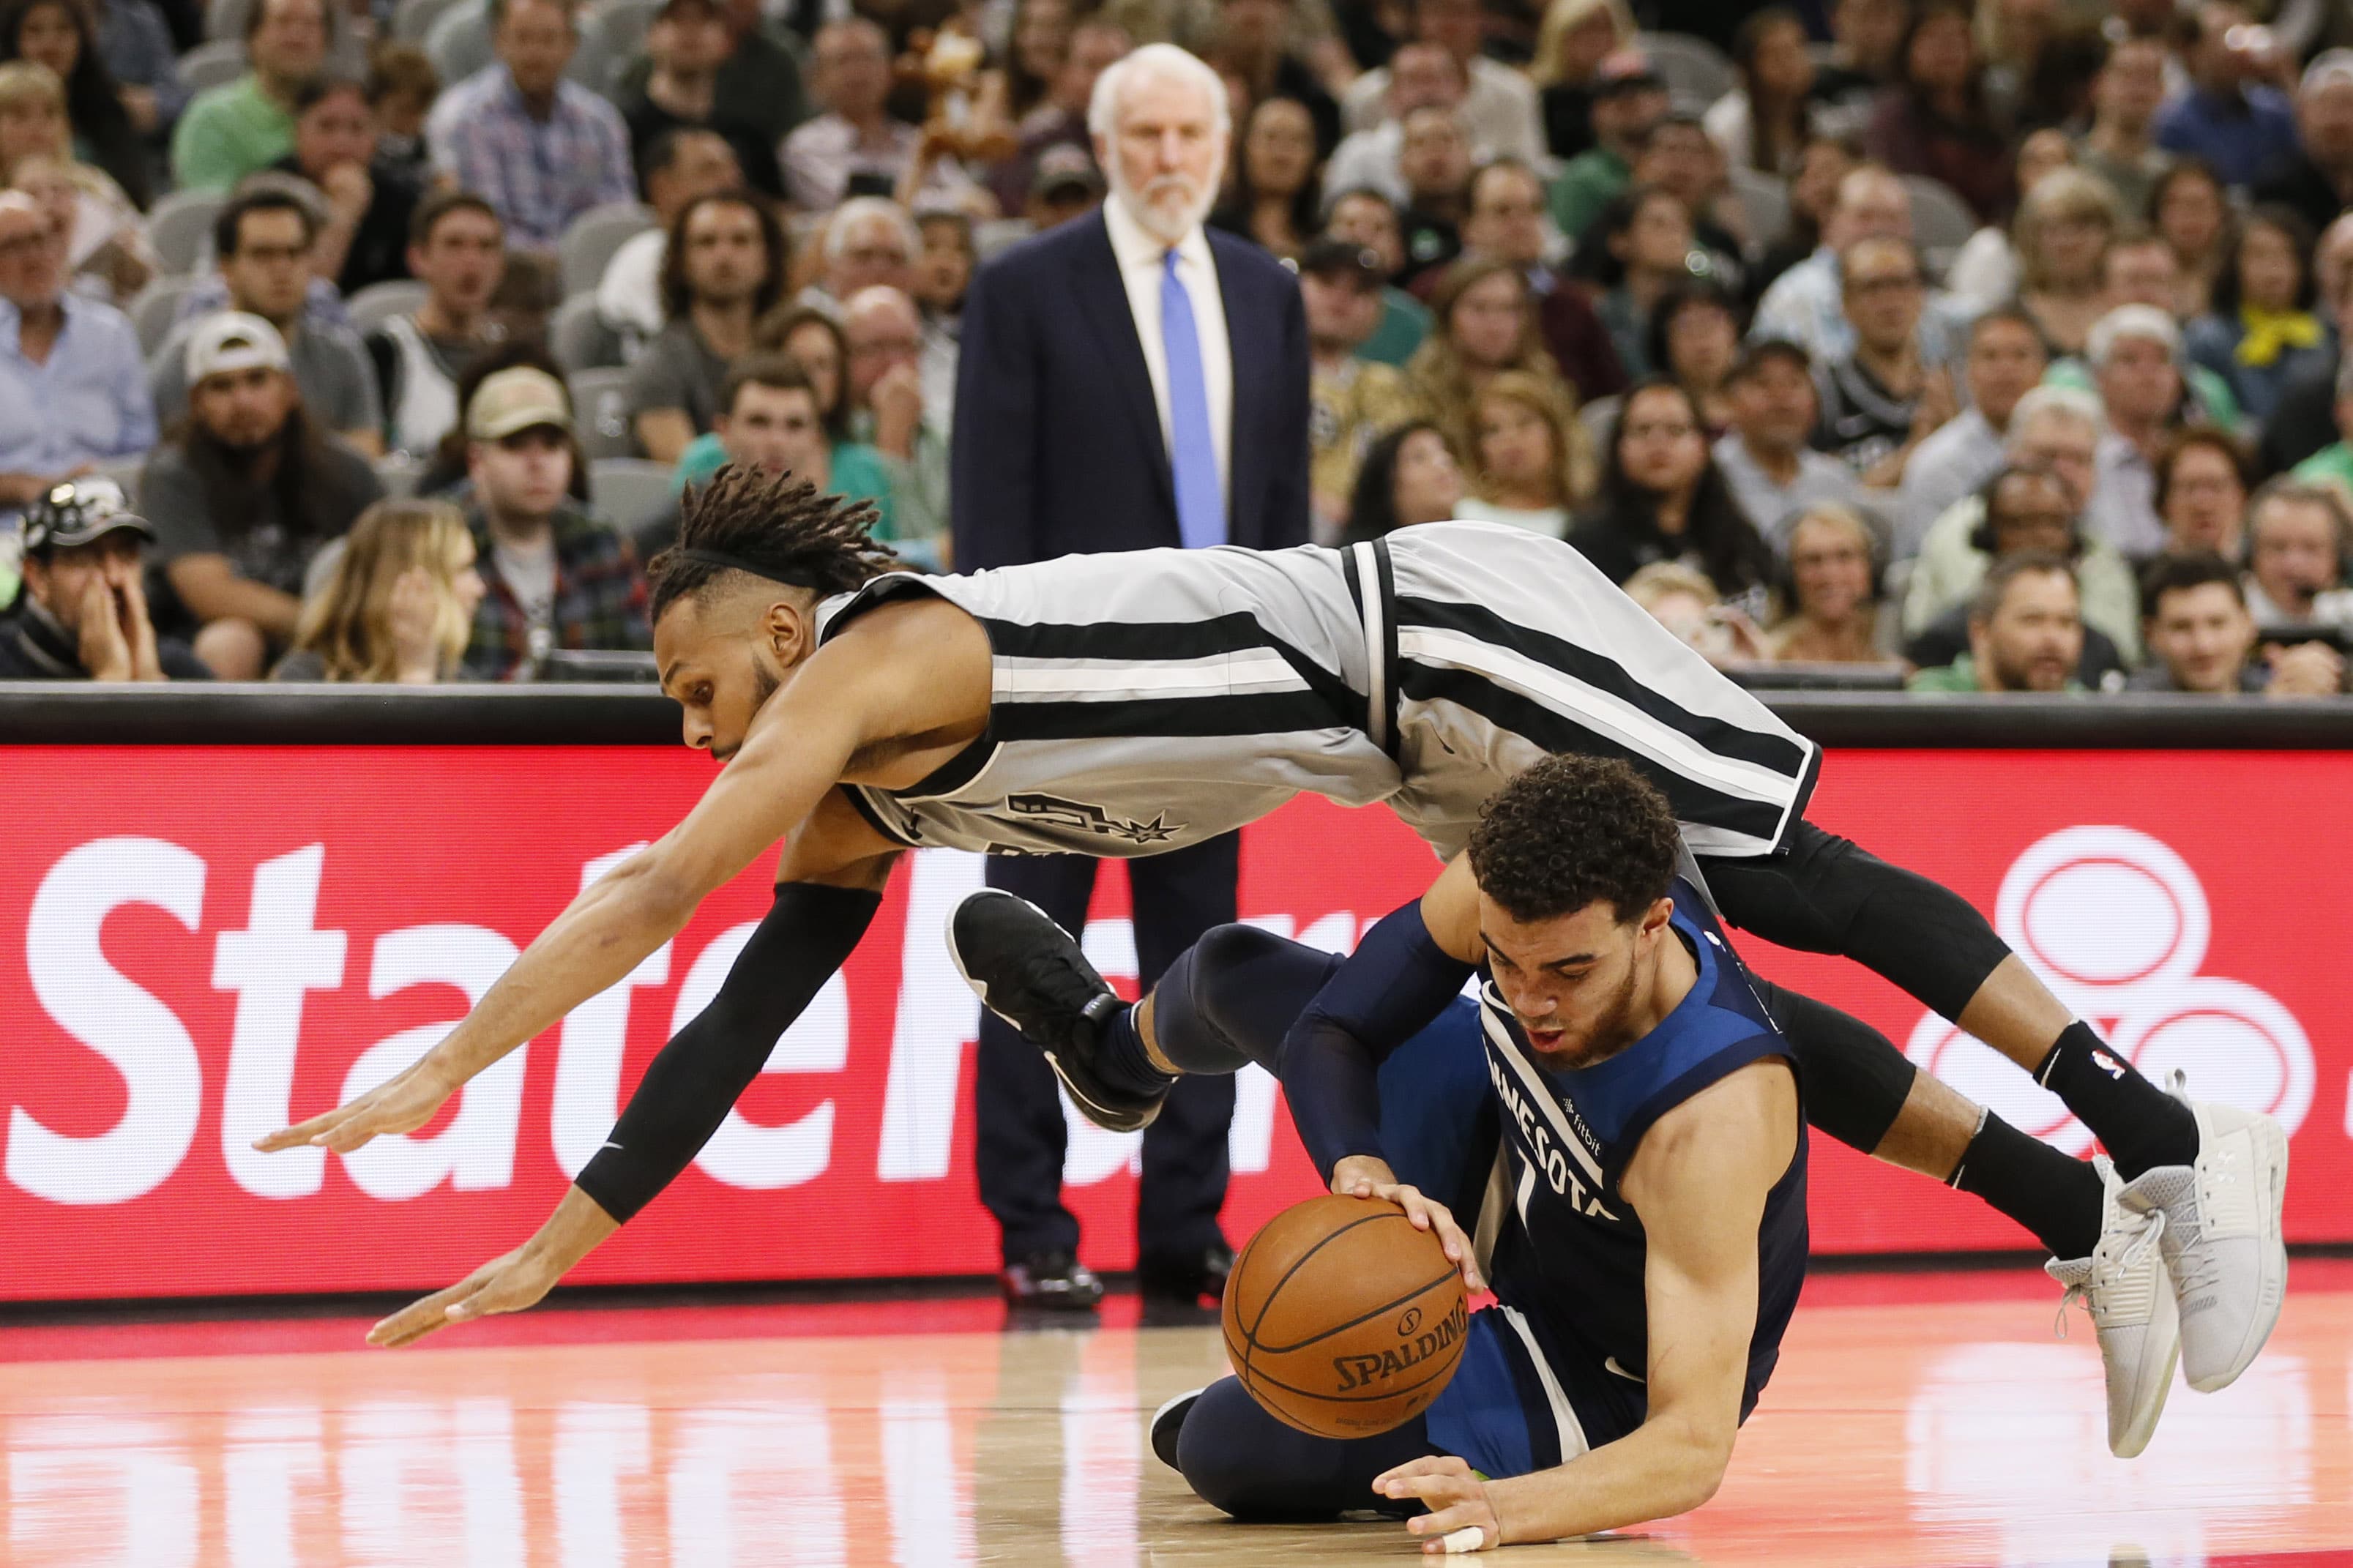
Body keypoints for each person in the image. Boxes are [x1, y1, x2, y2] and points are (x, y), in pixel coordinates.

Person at [260, 472, 2279, 1468]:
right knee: (1697, 1008)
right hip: (1400, 754)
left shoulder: (872, 653)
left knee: (1780, 872)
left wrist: (449, 1052)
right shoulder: (852, 788)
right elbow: (744, 1001)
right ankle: (2064, 1214)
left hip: (1434, 630)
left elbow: (649, 900)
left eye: (701, 687)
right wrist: (567, 1228)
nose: (698, 734)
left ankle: (2165, 1126)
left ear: (780, 636)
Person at [975, 754, 1813, 1545]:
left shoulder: (1709, 1120)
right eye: (1504, 962)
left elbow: (1692, 1447)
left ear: (1652, 925)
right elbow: (1335, 1026)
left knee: (1219, 1446)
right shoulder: (1503, 894)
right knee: (1233, 970)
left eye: (1567, 970)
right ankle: (1114, 1058)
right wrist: (1362, 1165)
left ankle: (1326, 1420)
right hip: (1508, 1154)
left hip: (1590, 1368)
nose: (1531, 1000)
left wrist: (1505, 1507)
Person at [947, 42, 1310, 1310]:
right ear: (1102, 148)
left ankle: (1184, 1232)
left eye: (1187, 136)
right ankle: (1033, 1229)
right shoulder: (1026, 289)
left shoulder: (1268, 291)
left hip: (1217, 693)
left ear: (1219, 147)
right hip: (1058, 691)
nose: (1168, 158)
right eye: (1144, 135)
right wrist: (1001, 681)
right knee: (1026, 954)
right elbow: (987, 508)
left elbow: (1281, 509)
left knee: (1202, 963)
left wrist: (1283, 677)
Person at [141, 312, 383, 678]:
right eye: (221, 386)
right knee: (232, 640)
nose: (242, 401)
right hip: (203, 646)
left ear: (290, 389)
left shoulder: (346, 470)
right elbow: (210, 595)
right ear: (196, 402)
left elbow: (389, 564)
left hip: (327, 637)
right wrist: (318, 622)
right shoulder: (172, 475)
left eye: (257, 381)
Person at [151, 189, 384, 455]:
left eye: (294, 253)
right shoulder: (186, 358)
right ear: (226, 270)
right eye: (263, 255)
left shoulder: (342, 355)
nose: (282, 268)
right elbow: (171, 464)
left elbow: (367, 457)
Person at [457, 364, 649, 679]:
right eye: (515, 445)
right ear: (477, 461)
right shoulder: (441, 541)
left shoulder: (601, 542)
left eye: (552, 445)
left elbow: (639, 670)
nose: (538, 463)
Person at [425, 0, 635, 253]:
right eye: (523, 38)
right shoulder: (466, 118)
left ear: (571, 45)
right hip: (506, 272)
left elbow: (618, 214)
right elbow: (485, 225)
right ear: (499, 41)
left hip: (587, 269)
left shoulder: (601, 121)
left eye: (548, 39)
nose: (535, 53)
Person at [1902, 461, 2138, 677]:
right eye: (2021, 523)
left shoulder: (2100, 651)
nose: (2040, 536)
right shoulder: (1942, 643)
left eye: (2054, 522)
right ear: (1989, 537)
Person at [0, 188, 149, 520]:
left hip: (106, 518)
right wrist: (20, 487)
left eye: (42, 240)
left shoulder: (111, 334)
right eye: (12, 247)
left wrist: (102, 476)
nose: (33, 258)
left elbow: (143, 447)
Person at [1570, 378, 1773, 611]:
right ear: (1618, 447)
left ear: (1703, 446)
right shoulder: (1589, 546)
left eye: (1675, 430)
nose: (1658, 443)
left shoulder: (1737, 537)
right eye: (1642, 430)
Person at [1750, 163, 1970, 373]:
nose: (1880, 229)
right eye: (1865, 217)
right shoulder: (1794, 297)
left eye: (1892, 218)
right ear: (1830, 223)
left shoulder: (1926, 295)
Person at [624, 190, 786, 465]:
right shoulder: (659, 363)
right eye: (706, 242)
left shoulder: (790, 348)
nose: (724, 255)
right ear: (682, 261)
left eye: (741, 240)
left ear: (768, 259)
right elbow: (688, 474)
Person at [0, 477, 209, 677]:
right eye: (85, 558)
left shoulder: (179, 669)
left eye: (126, 555)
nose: (114, 578)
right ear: (38, 578)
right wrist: (112, 678)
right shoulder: (7, 666)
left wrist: (149, 678)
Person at [1458, 157, 1625, 406]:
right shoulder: (1434, 292)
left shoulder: (1573, 306)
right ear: (1468, 226)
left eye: (1533, 209)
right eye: (1503, 211)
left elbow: (1610, 400)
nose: (1521, 223)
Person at [272, 497, 488, 682]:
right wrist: (416, 674)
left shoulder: (458, 678)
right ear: (413, 581)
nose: (480, 588)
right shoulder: (305, 678)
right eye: (463, 569)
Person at [363, 192, 507, 462]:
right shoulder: (384, 352)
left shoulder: (514, 357)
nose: (472, 261)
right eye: (454, 244)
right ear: (418, 258)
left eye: (486, 247)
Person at [1403, 257, 1575, 479]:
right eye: (1479, 308)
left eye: (1509, 309)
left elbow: (1574, 471)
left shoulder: (1548, 389)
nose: (1495, 324)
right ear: (1448, 317)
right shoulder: (1416, 394)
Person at [783, 18, 975, 214]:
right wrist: (944, 201)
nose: (857, 72)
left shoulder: (915, 139)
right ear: (818, 77)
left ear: (890, 70)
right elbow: (863, 210)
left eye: (868, 58)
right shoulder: (805, 146)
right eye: (843, 61)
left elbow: (975, 201)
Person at [1898, 308, 2049, 555]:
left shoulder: (2067, 452)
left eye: (2020, 356)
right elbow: (1930, 562)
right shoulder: (1937, 464)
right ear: (1968, 371)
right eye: (1990, 356)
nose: (2006, 370)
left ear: (2044, 368)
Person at [1813, 236, 1955, 487]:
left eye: (1901, 284)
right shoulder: (1821, 391)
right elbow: (1828, 501)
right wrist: (1918, 449)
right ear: (1845, 303)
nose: (1889, 302)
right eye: (1872, 287)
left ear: (1921, 295)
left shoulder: (1955, 383)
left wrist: (1955, 429)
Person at [1301, 236, 1415, 540]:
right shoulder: (1262, 374)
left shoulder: (1390, 386)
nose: (1341, 298)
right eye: (1326, 282)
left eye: (1359, 291)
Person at [617, 0, 785, 201]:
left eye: (705, 20)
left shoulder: (750, 139)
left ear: (727, 41)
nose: (691, 30)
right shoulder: (621, 130)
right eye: (677, 19)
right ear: (651, 36)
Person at [1339, 0, 1540, 165]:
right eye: (1438, 12)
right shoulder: (1363, 98)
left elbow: (1529, 175)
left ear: (1482, 20)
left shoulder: (1515, 93)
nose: (1450, 25)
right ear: (1415, 20)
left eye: (1461, 12)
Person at [272, 75, 421, 296]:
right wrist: (343, 213)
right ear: (298, 130)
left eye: (357, 128)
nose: (341, 143)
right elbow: (296, 295)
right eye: (326, 126)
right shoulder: (271, 192)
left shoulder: (402, 201)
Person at [2184, 205, 2332, 429]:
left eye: (2285, 255)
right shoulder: (2208, 338)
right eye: (2259, 255)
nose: (2274, 269)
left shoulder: (2328, 337)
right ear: (2234, 265)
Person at [1712, 340, 1866, 553]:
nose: (1781, 399)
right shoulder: (1709, 474)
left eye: (1794, 383)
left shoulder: (1834, 481)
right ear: (1730, 400)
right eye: (1763, 384)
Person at [1866, 0, 2012, 222]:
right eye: (1935, 40)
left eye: (1957, 39)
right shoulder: (1893, 117)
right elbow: (1906, 190)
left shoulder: (1995, 109)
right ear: (1909, 48)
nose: (1948, 51)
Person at [595, 127, 739, 347]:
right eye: (710, 170)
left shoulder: (751, 247)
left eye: (733, 168)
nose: (731, 181)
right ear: (663, 187)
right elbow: (672, 343)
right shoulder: (644, 257)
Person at [2129, 550, 2343, 694]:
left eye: (2217, 623)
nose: (2204, 645)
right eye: (2182, 627)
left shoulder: (2276, 693)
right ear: (2151, 634)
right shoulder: (2126, 714)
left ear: (2248, 625)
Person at [0, 0, 146, 208]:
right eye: (19, 115)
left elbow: (137, 230)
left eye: (50, 114)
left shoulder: (95, 185)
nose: (50, 44)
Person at [168, 0, 325, 193]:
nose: (298, 36)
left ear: (327, 42)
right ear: (253, 37)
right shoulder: (212, 118)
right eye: (283, 22)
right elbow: (210, 215)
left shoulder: (346, 121)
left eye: (311, 25)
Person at [2155, 2, 2299, 192]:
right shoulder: (2173, 123)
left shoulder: (2274, 113)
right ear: (2193, 52)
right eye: (2223, 37)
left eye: (2242, 35)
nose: (2235, 50)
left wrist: (2286, 76)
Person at [1909, 549, 2087, 691]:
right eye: (2032, 621)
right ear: (1981, 632)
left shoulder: (2089, 713)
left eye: (2067, 623)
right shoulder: (1928, 705)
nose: (2052, 638)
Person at [1321, 40, 1469, 211]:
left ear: (1460, 90)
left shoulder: (1482, 154)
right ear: (1392, 93)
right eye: (1413, 80)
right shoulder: (1359, 154)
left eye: (1436, 79)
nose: (1426, 91)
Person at [1545, 49, 1663, 244]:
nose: (1630, 99)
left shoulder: (1680, 168)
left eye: (1642, 88)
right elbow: (1570, 257)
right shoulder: (1582, 179)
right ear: (1595, 110)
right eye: (1614, 92)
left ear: (1664, 100)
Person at [2003, 165, 2122, 358]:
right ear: (2033, 238)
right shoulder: (2015, 315)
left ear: (2108, 233)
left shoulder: (2127, 308)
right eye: (2053, 229)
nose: (2067, 242)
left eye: (2081, 226)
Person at [1585, 183, 1695, 382]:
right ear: (1620, 242)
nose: (1676, 235)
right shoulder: (1601, 316)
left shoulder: (1703, 309)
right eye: (1658, 224)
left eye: (1681, 223)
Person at [1766, 501, 1902, 662]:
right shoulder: (1764, 661)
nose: (1830, 574)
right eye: (1813, 560)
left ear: (1870, 568)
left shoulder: (1894, 668)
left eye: (1845, 556)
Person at [1458, 370, 1586, 535]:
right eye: (1493, 430)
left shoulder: (1586, 519)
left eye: (1524, 423)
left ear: (1555, 435)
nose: (1510, 439)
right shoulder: (1462, 516)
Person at [1707, 7, 1822, 177]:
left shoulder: (1820, 119)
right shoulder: (1724, 126)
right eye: (1776, 54)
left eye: (1798, 48)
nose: (1791, 63)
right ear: (1747, 68)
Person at [1324, 186, 1433, 366]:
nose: (1362, 236)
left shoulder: (1417, 324)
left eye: (1379, 228)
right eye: (1349, 224)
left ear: (1398, 250)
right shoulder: (1295, 305)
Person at [1207, 93, 1319, 261]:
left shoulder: (1323, 238)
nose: (1282, 154)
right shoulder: (1213, 232)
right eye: (1270, 138)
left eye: (1296, 140)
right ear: (1245, 148)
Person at [2074, 33, 2172, 217]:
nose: (2138, 87)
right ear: (2098, 86)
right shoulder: (2072, 166)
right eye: (2127, 75)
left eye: (2149, 77)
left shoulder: (2171, 180)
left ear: (2163, 91)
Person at [2242, 479, 2353, 627]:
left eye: (2311, 548)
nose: (2294, 564)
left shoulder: (2346, 614)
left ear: (2337, 559)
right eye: (2278, 547)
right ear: (2251, 555)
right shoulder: (2220, 618)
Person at [1531, 0, 1633, 163]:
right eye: (1583, 28)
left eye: (1606, 28)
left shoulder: (1633, 94)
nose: (1596, 39)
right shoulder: (1535, 94)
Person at [1341, 417, 1463, 540]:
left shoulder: (1471, 542)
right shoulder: (1361, 554)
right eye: (1419, 457)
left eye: (1444, 451)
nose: (1444, 461)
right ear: (1387, 484)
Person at [1647, 280, 1737, 434]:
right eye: (1686, 325)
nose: (1702, 336)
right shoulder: (1648, 410)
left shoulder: (1761, 406)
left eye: (1714, 320)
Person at [2148, 158, 2231, 321]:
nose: (2189, 216)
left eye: (2199, 204)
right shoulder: (2139, 271)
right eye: (2177, 205)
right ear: (2157, 213)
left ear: (2221, 212)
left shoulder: (2236, 278)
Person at [2152, 426, 2251, 560]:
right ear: (2165, 503)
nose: (2203, 505)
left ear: (2242, 497)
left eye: (2216, 487)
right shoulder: (2138, 579)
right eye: (2189, 488)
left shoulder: (2264, 577)